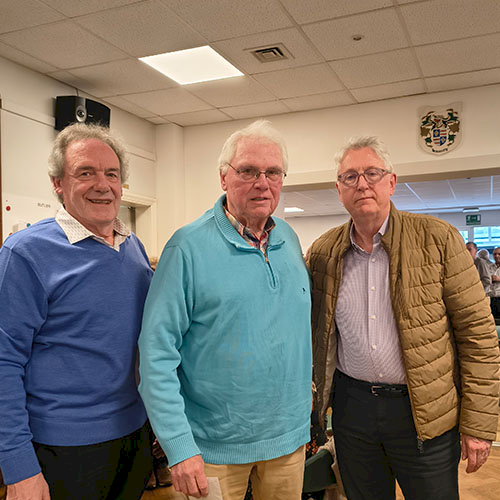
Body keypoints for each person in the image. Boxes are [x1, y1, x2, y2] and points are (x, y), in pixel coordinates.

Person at [307, 136, 500, 500]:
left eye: (372, 173)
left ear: (391, 182)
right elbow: (316, 336)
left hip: (424, 413)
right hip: (352, 412)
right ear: (339, 189)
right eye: (350, 176)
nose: (362, 184)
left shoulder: (438, 240)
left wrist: (478, 424)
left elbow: (478, 336)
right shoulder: (323, 253)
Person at [138, 119, 312, 500]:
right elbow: (155, 355)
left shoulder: (288, 239)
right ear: (223, 178)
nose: (262, 182)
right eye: (248, 171)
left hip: (288, 444)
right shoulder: (186, 249)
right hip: (211, 452)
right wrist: (179, 446)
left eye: (273, 172)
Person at [0, 123, 154, 500]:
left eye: (112, 174)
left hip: (133, 436)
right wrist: (18, 467)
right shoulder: (24, 254)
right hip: (62, 451)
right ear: (58, 183)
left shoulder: (132, 247)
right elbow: (3, 362)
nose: (103, 185)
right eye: (85, 173)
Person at [491, 247, 500, 321]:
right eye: (495, 254)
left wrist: (499, 279)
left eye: (499, 254)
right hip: (492, 298)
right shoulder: (489, 267)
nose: (497, 256)